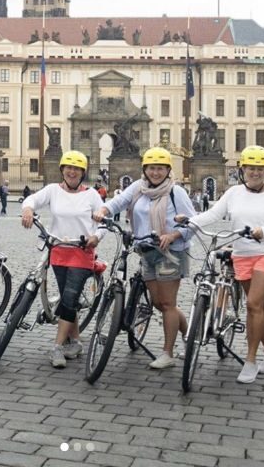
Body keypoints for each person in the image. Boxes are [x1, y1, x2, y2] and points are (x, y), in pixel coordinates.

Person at [179, 145, 264, 383]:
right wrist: (189, 221)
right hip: (242, 254)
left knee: (253, 304)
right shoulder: (233, 193)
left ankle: (250, 360)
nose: (255, 172)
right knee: (260, 308)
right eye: (251, 168)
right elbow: (213, 215)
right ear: (242, 170)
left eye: (260, 169)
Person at [94, 147, 196, 369]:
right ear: (145, 169)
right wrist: (103, 210)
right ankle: (189, 333)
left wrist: (173, 235)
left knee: (168, 303)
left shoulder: (176, 192)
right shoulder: (138, 188)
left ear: (168, 170)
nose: (155, 173)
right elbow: (118, 203)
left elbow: (193, 222)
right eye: (151, 168)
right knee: (158, 303)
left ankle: (167, 353)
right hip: (146, 250)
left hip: (171, 252)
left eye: (160, 169)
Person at [22, 151, 105, 368]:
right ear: (62, 170)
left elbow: (104, 221)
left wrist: (96, 236)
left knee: (69, 298)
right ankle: (75, 342)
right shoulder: (52, 190)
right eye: (68, 167)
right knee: (69, 301)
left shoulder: (92, 195)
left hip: (81, 252)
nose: (72, 171)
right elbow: (32, 199)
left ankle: (57, 347)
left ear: (82, 172)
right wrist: (28, 210)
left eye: (76, 169)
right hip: (58, 250)